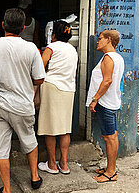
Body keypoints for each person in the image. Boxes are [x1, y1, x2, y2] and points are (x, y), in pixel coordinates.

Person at [0, 8, 45, 193]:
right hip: (23, 105)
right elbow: (39, 79)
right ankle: (35, 177)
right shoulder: (31, 48)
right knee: (30, 141)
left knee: (1, 148)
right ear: (23, 28)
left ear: (2, 25)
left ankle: (7, 189)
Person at [37, 20, 78, 175]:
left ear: (53, 34)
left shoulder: (51, 47)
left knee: (50, 127)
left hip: (52, 87)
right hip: (69, 90)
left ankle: (52, 164)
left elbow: (40, 67)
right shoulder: (72, 50)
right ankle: (64, 165)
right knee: (64, 128)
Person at [86, 30, 124, 182]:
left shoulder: (109, 58)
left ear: (109, 40)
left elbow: (107, 81)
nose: (97, 41)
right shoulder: (117, 57)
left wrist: (95, 99)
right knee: (111, 136)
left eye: (100, 38)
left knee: (109, 137)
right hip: (111, 102)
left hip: (105, 103)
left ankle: (111, 172)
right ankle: (110, 168)